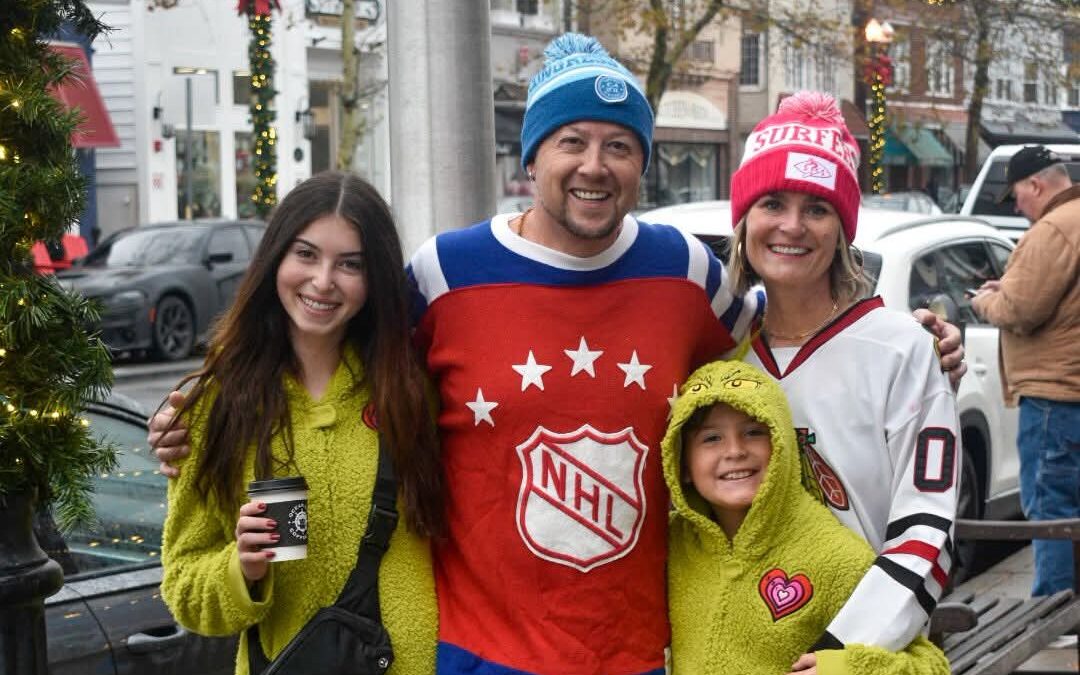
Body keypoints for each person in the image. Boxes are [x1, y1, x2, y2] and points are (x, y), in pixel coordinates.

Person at [151, 35, 965, 675]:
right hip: (474, 650)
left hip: (647, 651)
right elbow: (335, 351)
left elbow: (780, 337)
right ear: (531, 156)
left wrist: (913, 341)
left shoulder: (686, 271)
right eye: (571, 139)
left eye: (619, 145)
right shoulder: (443, 272)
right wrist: (206, 401)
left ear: (642, 164)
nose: (594, 165)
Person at [159, 171, 443, 675]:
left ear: (374, 277)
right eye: (306, 254)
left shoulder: (411, 387)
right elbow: (184, 585)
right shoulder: (214, 406)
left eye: (349, 264)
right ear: (275, 259)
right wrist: (241, 569)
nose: (323, 281)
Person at [725, 91, 960, 664]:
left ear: (842, 229)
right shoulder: (722, 352)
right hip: (741, 646)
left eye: (817, 208)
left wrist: (846, 649)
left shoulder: (902, 349)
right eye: (772, 203)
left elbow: (928, 526)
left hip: (860, 653)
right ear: (744, 219)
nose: (792, 226)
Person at [664, 359, 949, 675]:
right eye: (711, 438)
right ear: (682, 463)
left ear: (783, 444)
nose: (734, 450)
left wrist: (843, 670)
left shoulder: (834, 557)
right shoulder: (666, 548)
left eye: (754, 431)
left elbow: (931, 665)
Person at [972, 145, 1080, 597]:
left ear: (1036, 185)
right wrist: (1010, 287)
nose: (1017, 206)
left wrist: (983, 301)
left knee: (1049, 505)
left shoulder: (1053, 229)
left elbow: (1021, 308)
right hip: (1070, 387)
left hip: (1054, 392)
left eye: (1017, 195)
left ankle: (1053, 613)